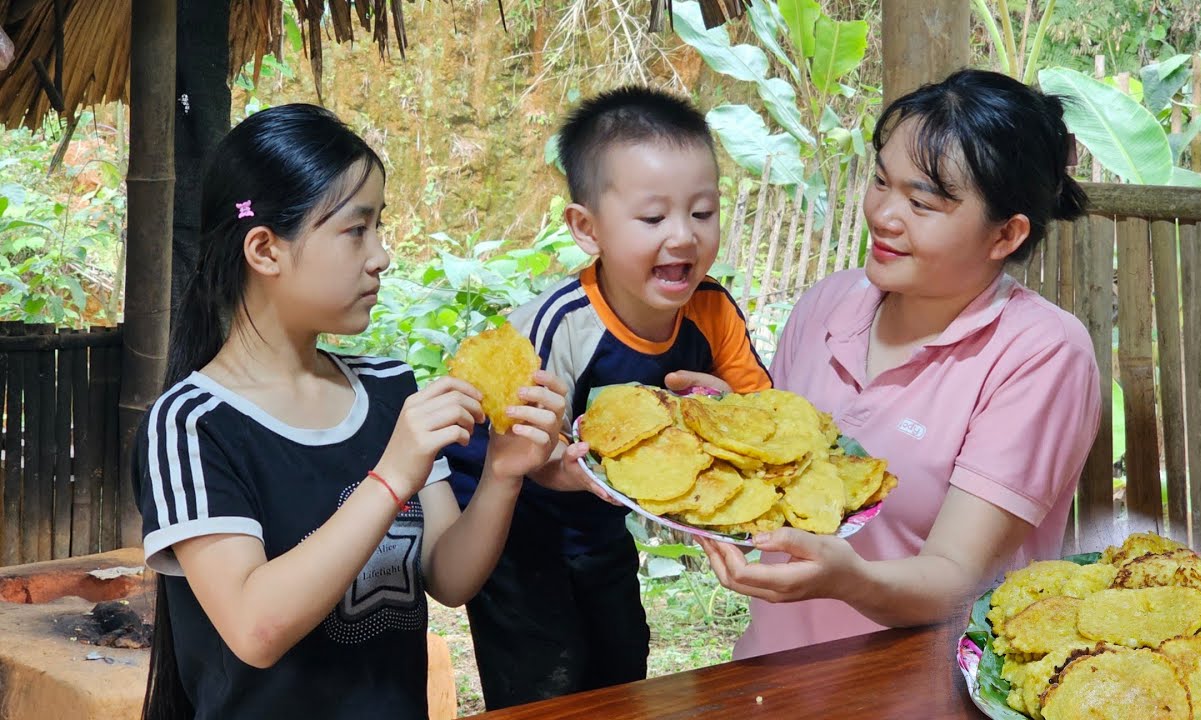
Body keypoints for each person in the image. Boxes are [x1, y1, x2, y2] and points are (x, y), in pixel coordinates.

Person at [133, 103, 567, 720]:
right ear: (265, 249)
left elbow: (448, 577)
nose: (381, 256)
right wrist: (392, 476)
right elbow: (256, 628)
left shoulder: (390, 388)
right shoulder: (191, 424)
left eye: (379, 227)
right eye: (355, 230)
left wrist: (502, 473)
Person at [696, 69, 1102, 658]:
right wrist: (714, 431)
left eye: (921, 202)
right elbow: (780, 482)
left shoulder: (1042, 353)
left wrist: (848, 579)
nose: (885, 215)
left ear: (1005, 235)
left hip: (918, 693)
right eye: (881, 182)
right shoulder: (828, 304)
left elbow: (955, 575)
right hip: (772, 676)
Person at [444, 85, 772, 709]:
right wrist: (558, 465)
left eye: (703, 213)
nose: (683, 237)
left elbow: (758, 415)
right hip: (513, 523)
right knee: (544, 678)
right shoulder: (554, 327)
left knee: (622, 660)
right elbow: (523, 453)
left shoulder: (714, 311)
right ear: (586, 229)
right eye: (653, 218)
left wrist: (722, 408)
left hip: (600, 519)